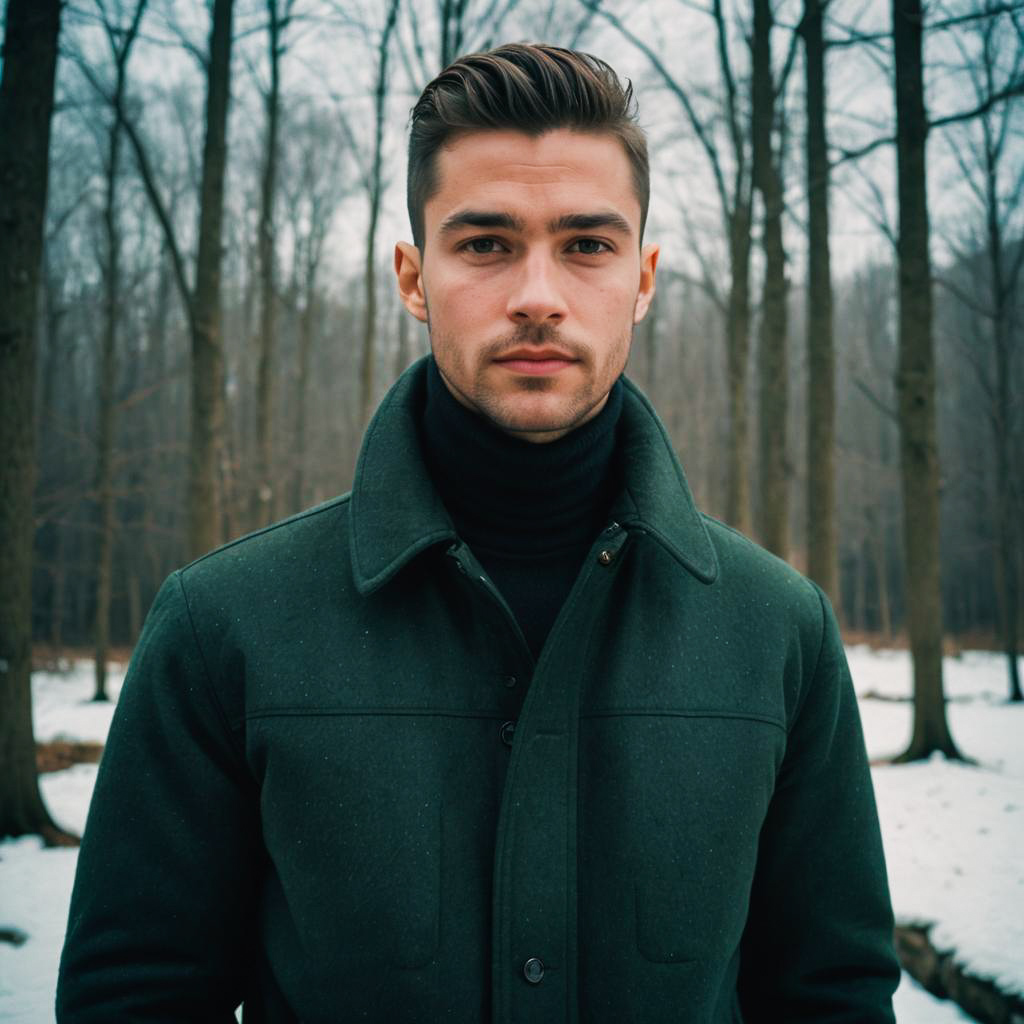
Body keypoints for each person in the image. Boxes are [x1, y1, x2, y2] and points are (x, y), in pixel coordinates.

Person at [57, 43, 899, 1023]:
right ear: (414, 276)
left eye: (586, 245)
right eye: (486, 243)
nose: (537, 294)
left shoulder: (777, 631)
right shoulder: (220, 627)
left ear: (643, 276)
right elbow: (135, 997)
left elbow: (832, 995)